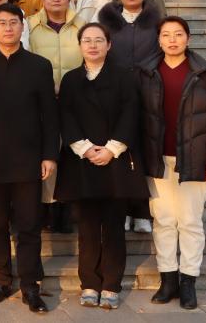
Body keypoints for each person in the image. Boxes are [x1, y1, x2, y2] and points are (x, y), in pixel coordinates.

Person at [139, 16, 206, 311]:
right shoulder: (146, 73)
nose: (172, 40)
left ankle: (188, 281)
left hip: (194, 158)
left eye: (178, 34)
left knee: (190, 221)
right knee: (163, 220)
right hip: (158, 158)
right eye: (166, 35)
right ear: (159, 40)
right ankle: (168, 280)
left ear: (188, 39)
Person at [57, 22, 148, 310]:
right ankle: (89, 283)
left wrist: (111, 149)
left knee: (113, 227)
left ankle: (111, 284)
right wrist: (84, 148)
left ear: (109, 45)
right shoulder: (71, 79)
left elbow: (131, 113)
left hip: (115, 161)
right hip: (82, 162)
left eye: (99, 40)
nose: (93, 45)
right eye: (87, 40)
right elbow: (65, 116)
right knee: (86, 228)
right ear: (80, 45)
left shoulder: (124, 77)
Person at [0, 3, 58, 313]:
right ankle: (1, 281)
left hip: (28, 159)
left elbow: (50, 115)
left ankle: (30, 285)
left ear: (22, 27)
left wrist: (49, 155)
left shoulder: (39, 65)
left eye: (14, 22)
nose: (8, 28)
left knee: (29, 225)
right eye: (2, 23)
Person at [98, 0, 161, 234]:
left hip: (148, 91)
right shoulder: (107, 20)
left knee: (143, 152)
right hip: (116, 91)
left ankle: (142, 212)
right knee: (119, 151)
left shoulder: (156, 21)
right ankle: (122, 210)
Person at [28, 0, 85, 233]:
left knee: (72, 152)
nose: (56, 0)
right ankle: (48, 208)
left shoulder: (82, 25)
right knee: (48, 151)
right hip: (43, 99)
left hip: (76, 99)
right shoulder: (31, 26)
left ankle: (68, 207)